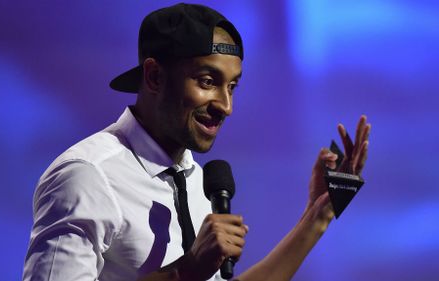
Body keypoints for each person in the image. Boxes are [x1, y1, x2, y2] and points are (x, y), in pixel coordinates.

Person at [23, 3, 371, 281]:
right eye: (208, 81)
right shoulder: (86, 176)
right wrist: (185, 272)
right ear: (155, 76)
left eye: (232, 86)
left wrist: (317, 217)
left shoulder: (194, 180)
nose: (226, 106)